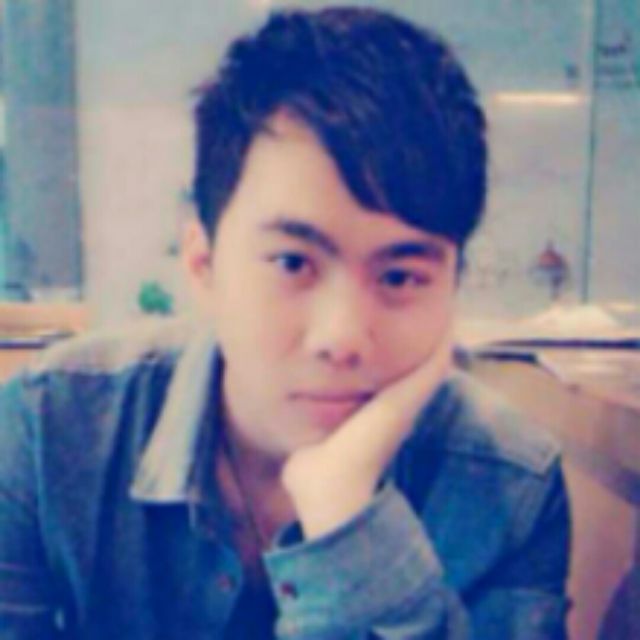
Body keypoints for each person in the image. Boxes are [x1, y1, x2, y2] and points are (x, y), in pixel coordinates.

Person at [0, 6, 571, 639]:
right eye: (293, 263)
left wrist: (350, 530)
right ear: (203, 264)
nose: (342, 337)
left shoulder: (512, 487)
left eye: (401, 277)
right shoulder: (49, 429)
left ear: (453, 287)